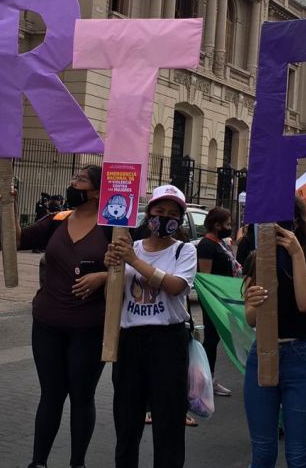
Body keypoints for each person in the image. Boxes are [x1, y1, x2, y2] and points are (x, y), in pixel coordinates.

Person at [5, 165, 109, 468]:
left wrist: (103, 276)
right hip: (47, 324)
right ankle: (39, 462)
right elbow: (17, 240)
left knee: (81, 397)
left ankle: (77, 463)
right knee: (50, 395)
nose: (72, 184)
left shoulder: (112, 227)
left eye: (79, 180)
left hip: (89, 327)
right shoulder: (58, 220)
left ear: (97, 191)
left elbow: (129, 267)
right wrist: (8, 205)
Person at [104, 185, 198, 468]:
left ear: (180, 219)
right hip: (131, 340)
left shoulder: (184, 251)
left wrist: (134, 262)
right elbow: (114, 296)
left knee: (168, 423)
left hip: (168, 341)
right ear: (149, 214)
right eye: (159, 211)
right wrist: (111, 268)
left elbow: (175, 287)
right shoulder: (128, 247)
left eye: (172, 213)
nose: (165, 218)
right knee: (127, 420)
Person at [237, 197, 306, 468]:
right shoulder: (256, 258)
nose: (277, 228)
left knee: (298, 455)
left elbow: (305, 303)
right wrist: (252, 302)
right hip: (262, 354)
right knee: (263, 452)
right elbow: (251, 319)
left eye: (285, 221)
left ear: (298, 222)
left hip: (299, 357)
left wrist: (296, 253)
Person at [195, 206, 241, 397]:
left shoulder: (221, 243)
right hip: (212, 299)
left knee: (215, 339)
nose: (230, 227)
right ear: (216, 225)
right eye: (227, 224)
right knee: (211, 339)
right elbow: (205, 276)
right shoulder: (207, 245)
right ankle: (205, 380)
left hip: (222, 298)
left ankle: (208, 379)